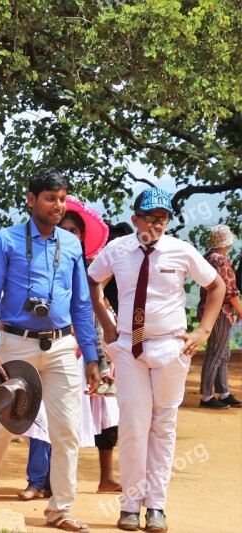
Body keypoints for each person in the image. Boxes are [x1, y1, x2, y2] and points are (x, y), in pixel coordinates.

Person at [0, 169, 102, 533]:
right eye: (50, 198)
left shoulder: (72, 245)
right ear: (31, 199)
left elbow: (82, 305)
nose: (58, 205)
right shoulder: (6, 240)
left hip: (60, 346)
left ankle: (61, 510)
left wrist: (91, 355)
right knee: (3, 424)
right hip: (15, 342)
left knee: (67, 430)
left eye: (62, 199)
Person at [88, 187, 226, 532]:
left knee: (163, 427)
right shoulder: (117, 250)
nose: (157, 224)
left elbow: (217, 287)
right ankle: (131, 506)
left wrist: (203, 332)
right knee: (134, 427)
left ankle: (157, 507)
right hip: (130, 348)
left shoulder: (181, 250)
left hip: (169, 347)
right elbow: (91, 282)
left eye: (163, 218)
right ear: (136, 219)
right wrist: (107, 324)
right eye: (150, 217)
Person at [58, 203, 121, 494]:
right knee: (59, 417)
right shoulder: (44, 265)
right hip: (58, 348)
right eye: (63, 229)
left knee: (106, 412)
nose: (68, 234)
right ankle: (46, 481)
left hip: (92, 350)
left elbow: (95, 314)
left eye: (74, 231)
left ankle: (107, 476)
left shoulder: (92, 270)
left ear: (82, 237)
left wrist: (100, 360)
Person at [196, 224, 241, 409]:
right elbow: (231, 292)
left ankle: (223, 393)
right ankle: (207, 396)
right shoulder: (220, 260)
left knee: (221, 353)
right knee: (217, 354)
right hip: (221, 311)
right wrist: (241, 310)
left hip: (210, 310)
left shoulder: (208, 258)